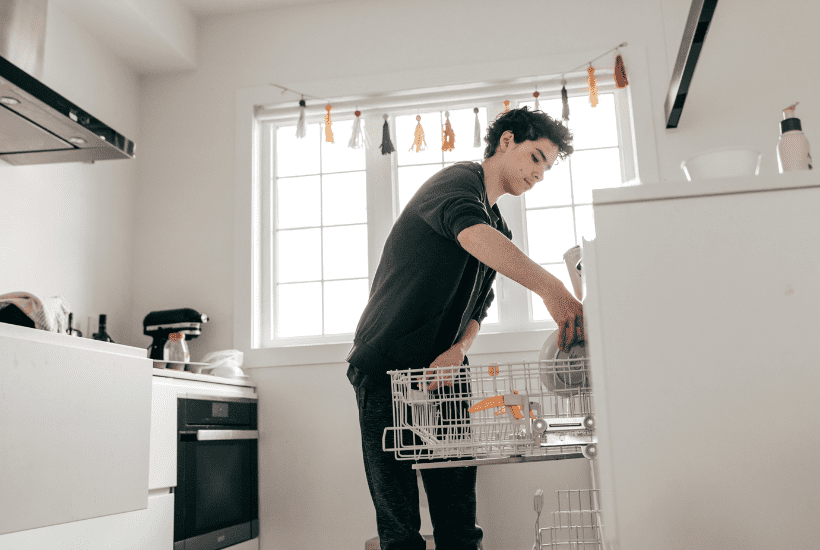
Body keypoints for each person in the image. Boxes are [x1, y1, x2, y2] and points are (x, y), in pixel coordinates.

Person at [346, 106, 584, 550]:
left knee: (457, 511)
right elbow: (471, 235)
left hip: (446, 368)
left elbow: (480, 306)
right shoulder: (457, 183)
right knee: (398, 517)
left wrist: (459, 349)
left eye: (547, 168)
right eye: (535, 158)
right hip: (385, 363)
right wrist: (552, 289)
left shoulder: (499, 224)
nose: (540, 175)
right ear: (506, 141)